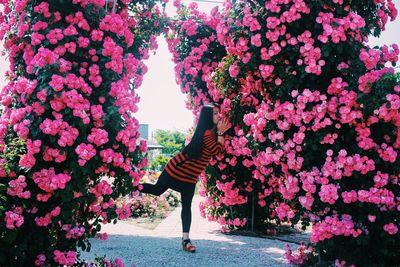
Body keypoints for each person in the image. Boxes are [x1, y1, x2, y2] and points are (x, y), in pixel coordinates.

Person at [139, 104, 230, 253]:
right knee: (157, 190)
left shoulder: (210, 133)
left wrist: (220, 132)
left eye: (218, 113)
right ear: (208, 117)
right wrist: (221, 132)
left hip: (190, 176)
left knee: (186, 206)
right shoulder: (208, 134)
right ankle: (133, 186)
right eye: (215, 113)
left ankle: (186, 240)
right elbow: (218, 151)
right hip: (176, 169)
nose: (218, 116)